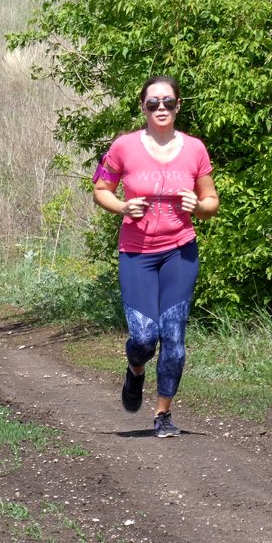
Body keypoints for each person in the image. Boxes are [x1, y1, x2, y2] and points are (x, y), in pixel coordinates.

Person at [93, 75, 220, 437]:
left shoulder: (195, 149)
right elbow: (101, 188)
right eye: (153, 103)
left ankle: (163, 414)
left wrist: (200, 206)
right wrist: (121, 206)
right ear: (143, 108)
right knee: (145, 337)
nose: (160, 108)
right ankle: (135, 370)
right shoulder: (123, 147)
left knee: (174, 337)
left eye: (167, 102)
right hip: (137, 254)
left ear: (178, 105)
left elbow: (212, 202)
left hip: (180, 250)